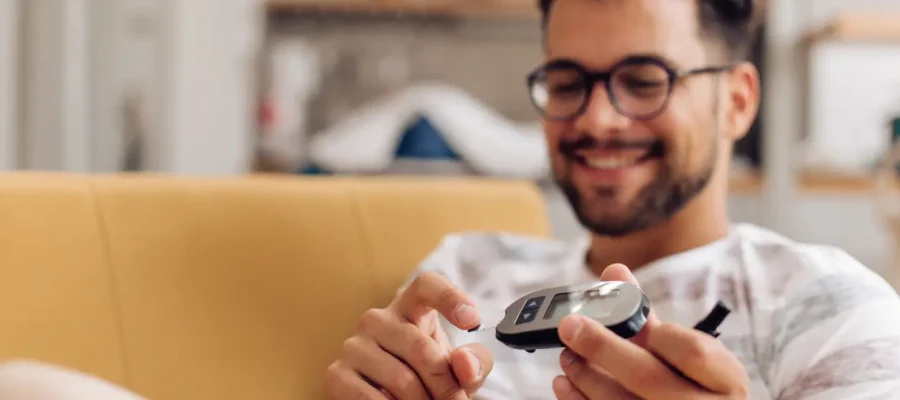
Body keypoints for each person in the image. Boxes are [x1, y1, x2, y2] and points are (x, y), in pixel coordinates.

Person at [323, 0, 900, 399]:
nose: (598, 119)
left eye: (646, 81)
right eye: (569, 83)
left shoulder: (834, 309)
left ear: (738, 102)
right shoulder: (462, 277)